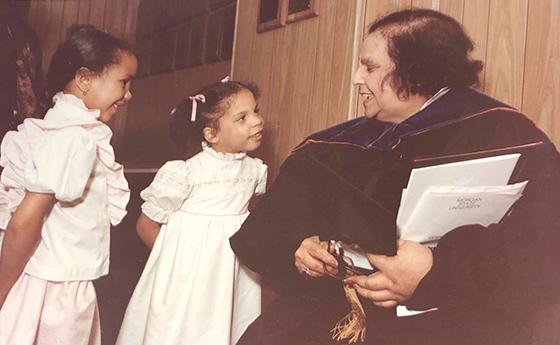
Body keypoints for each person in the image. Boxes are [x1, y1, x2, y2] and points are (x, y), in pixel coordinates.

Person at [230, 8, 560, 345]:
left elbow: (545, 251)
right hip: (337, 316)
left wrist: (437, 272)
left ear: (416, 71)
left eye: (370, 67)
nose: (357, 78)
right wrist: (297, 247)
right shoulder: (329, 148)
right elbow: (258, 232)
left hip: (455, 319)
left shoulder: (511, 138)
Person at [0, 25, 137, 345]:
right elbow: (24, 221)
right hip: (53, 291)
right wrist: (2, 287)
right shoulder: (74, 138)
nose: (129, 95)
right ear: (85, 78)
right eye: (124, 82)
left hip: (57, 280)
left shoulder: (61, 130)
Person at [116, 79, 267, 345]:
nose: (257, 121)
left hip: (232, 273)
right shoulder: (185, 173)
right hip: (186, 277)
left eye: (256, 111)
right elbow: (145, 225)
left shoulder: (255, 171)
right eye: (242, 118)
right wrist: (178, 263)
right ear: (211, 134)